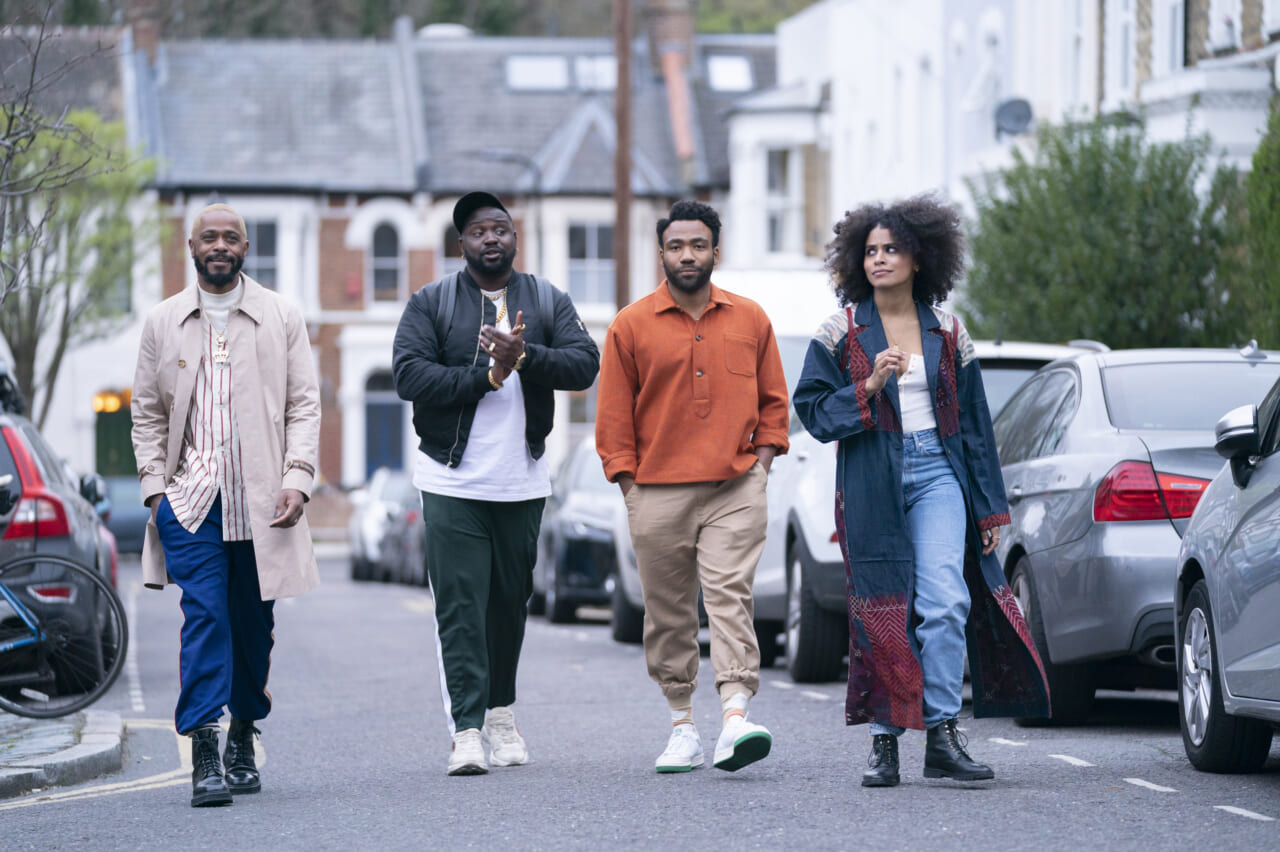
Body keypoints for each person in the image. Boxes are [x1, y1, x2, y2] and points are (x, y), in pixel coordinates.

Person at [792, 196, 1051, 788]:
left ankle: (942, 735)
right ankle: (885, 742)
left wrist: (988, 505)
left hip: (939, 472)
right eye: (871, 251)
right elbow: (812, 412)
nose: (880, 259)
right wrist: (870, 383)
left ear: (920, 257)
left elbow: (978, 426)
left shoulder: (949, 331)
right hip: (870, 477)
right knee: (884, 608)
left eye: (893, 249)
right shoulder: (840, 332)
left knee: (946, 600)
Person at [392, 191, 599, 776]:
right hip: (452, 479)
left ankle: (501, 714)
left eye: (501, 229)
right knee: (460, 607)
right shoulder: (430, 303)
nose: (492, 239)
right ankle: (466, 731)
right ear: (463, 244)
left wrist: (525, 357)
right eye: (480, 231)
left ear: (515, 239)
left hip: (522, 480)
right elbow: (409, 375)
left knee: (508, 606)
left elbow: (586, 363)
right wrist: (486, 376)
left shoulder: (547, 299)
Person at [131, 203, 322, 808]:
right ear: (190, 246)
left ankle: (244, 729)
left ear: (246, 246)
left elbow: (304, 405)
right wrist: (156, 492)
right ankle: (206, 748)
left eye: (230, 237)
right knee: (206, 615)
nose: (220, 245)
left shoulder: (280, 316)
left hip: (264, 501)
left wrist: (298, 477)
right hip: (191, 502)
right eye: (209, 236)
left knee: (253, 627)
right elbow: (147, 413)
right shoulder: (163, 322)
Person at [595, 200, 790, 774]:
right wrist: (630, 487)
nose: (687, 255)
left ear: (715, 252)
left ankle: (735, 715)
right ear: (661, 253)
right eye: (677, 246)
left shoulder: (751, 319)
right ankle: (682, 724)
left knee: (729, 595)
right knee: (669, 611)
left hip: (735, 486)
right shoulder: (629, 325)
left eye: (698, 245)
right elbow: (613, 421)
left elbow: (774, 404)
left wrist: (761, 468)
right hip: (656, 492)